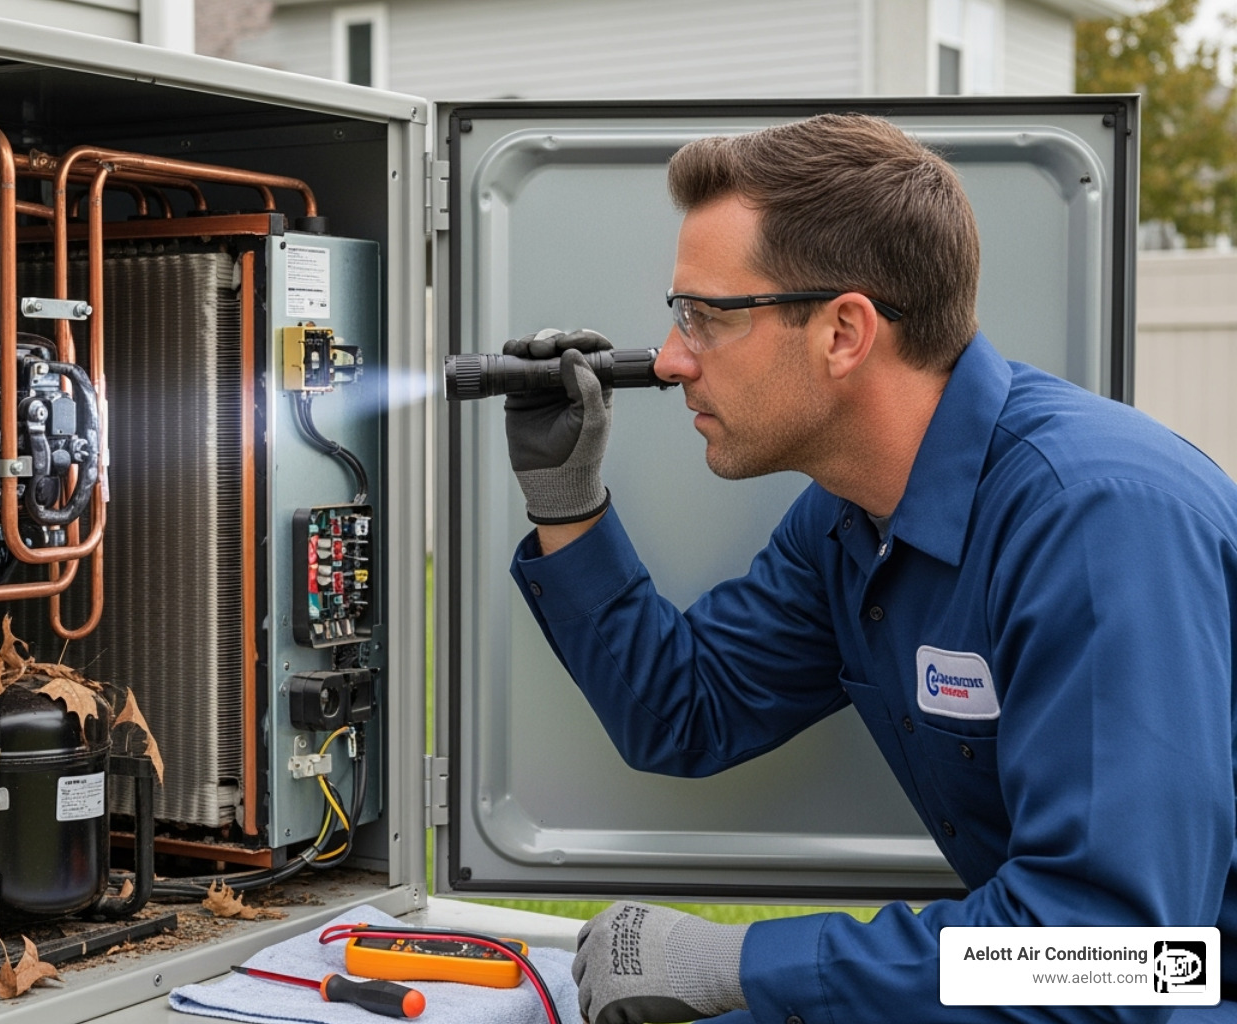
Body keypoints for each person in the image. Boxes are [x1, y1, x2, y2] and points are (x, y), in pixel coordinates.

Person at [502, 113, 1237, 1024]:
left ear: (845, 331)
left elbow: (1118, 961)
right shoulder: (851, 522)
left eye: (704, 317)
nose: (670, 359)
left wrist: (743, 961)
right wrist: (566, 503)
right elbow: (686, 714)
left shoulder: (1095, 521)